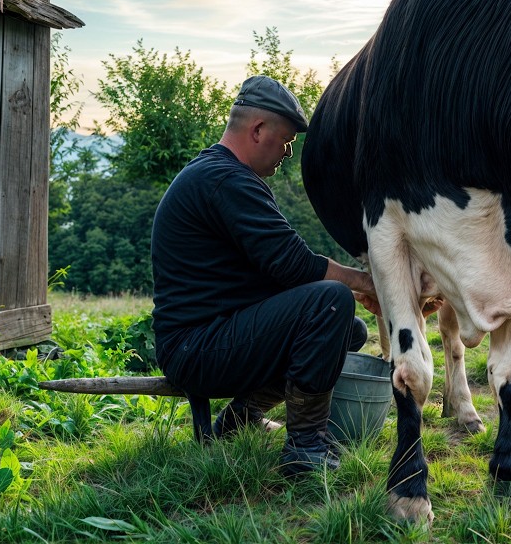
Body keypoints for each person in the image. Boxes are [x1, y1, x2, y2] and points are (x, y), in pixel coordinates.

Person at [150, 75, 379, 476]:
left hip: (208, 337)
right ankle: (305, 448)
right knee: (331, 302)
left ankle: (239, 419)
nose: (289, 152)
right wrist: (366, 282)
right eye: (287, 141)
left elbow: (277, 268)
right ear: (258, 130)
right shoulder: (226, 180)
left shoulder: (222, 174)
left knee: (349, 331)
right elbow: (293, 264)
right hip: (197, 348)